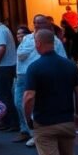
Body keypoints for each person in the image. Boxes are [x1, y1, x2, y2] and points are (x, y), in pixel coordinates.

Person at [23, 29, 78, 155]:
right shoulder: (70, 65)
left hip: (44, 123)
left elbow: (29, 97)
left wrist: (28, 119)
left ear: (38, 43)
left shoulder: (34, 67)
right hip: (67, 121)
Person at [16, 15, 68, 147]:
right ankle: (31, 131)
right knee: (19, 103)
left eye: (40, 23)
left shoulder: (53, 40)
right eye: (35, 23)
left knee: (37, 105)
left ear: (46, 24)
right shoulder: (27, 38)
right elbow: (20, 54)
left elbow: (63, 58)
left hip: (42, 76)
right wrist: (33, 46)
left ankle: (38, 134)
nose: (37, 25)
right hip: (23, 75)